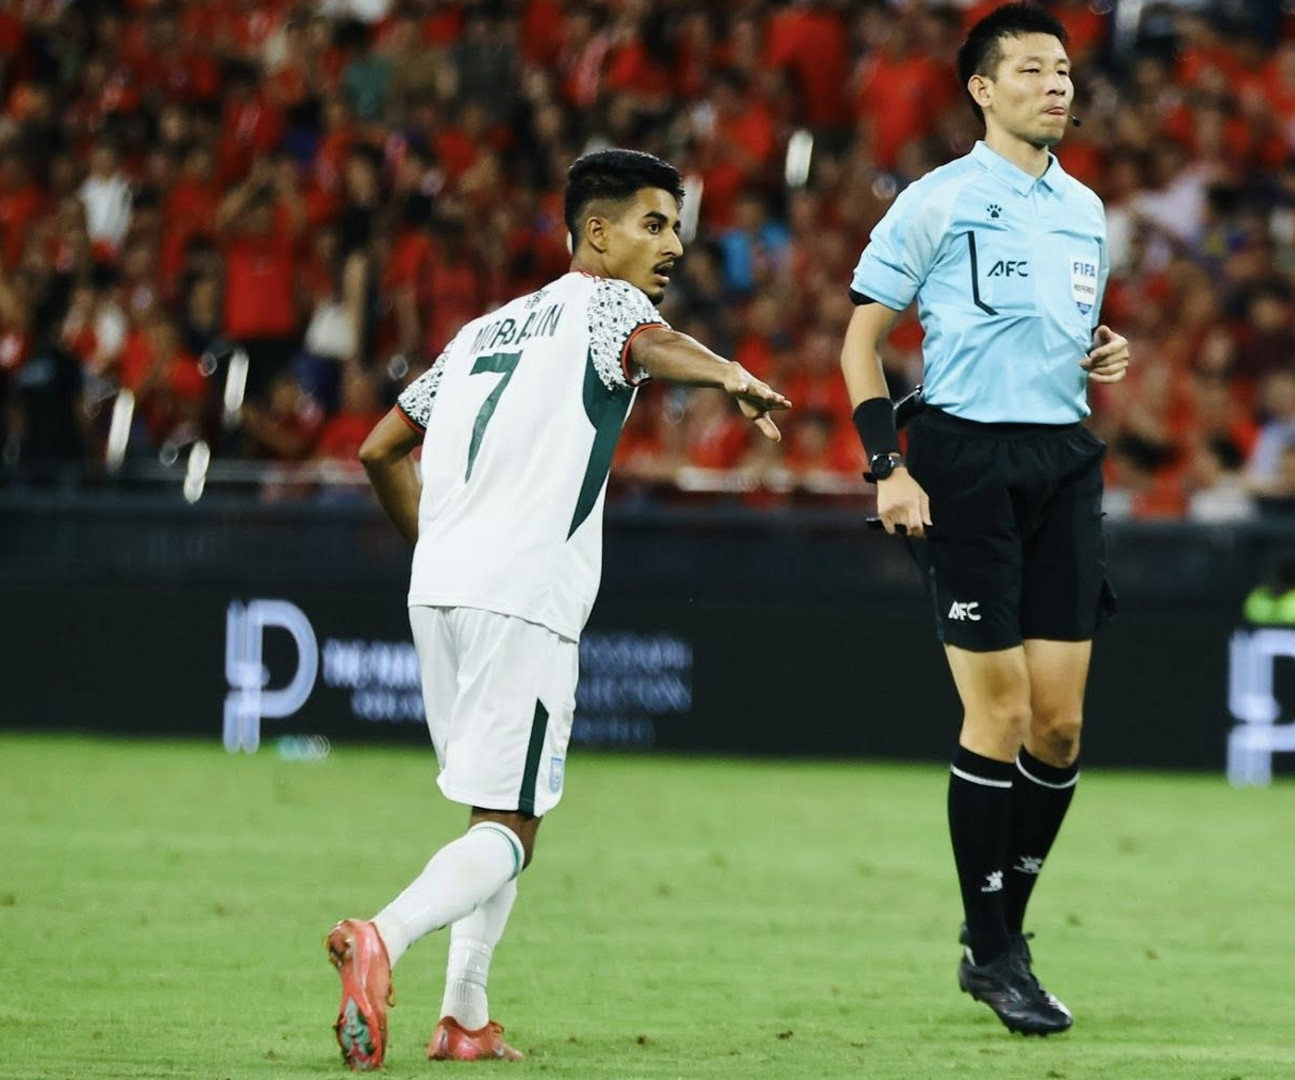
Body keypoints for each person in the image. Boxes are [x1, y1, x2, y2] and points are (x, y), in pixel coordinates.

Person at [329, 149, 789, 1070]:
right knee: (513, 829)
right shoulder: (604, 302)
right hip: (523, 597)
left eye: (677, 227)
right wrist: (727, 372)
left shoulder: (478, 333)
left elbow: (380, 448)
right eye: (654, 224)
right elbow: (648, 344)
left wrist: (440, 546)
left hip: (441, 593)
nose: (673, 245)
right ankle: (382, 935)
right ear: (595, 233)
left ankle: (463, 1018)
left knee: (495, 812)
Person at [838, 2, 1130, 1038]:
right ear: (983, 89)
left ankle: (995, 929)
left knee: (1060, 725)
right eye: (1033, 70)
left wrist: (1100, 348)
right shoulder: (936, 201)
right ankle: (997, 951)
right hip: (963, 460)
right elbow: (861, 344)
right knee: (998, 715)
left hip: (1063, 459)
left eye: (1064, 71)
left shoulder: (1086, 209)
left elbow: (1060, 326)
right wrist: (889, 468)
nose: (1056, 85)